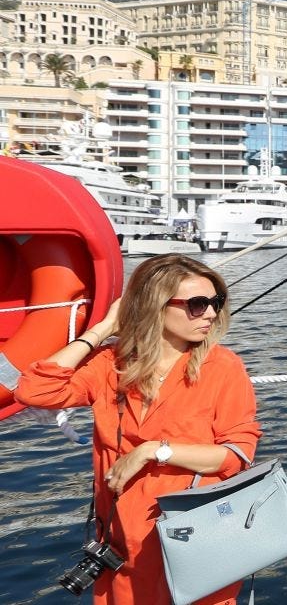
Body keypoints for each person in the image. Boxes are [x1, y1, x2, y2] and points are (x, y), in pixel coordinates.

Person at [16, 254, 261, 605]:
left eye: (216, 302)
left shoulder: (223, 367)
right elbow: (34, 390)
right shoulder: (109, 365)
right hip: (119, 543)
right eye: (197, 304)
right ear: (154, 306)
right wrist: (103, 328)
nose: (211, 313)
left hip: (193, 541)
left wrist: (151, 451)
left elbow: (236, 455)